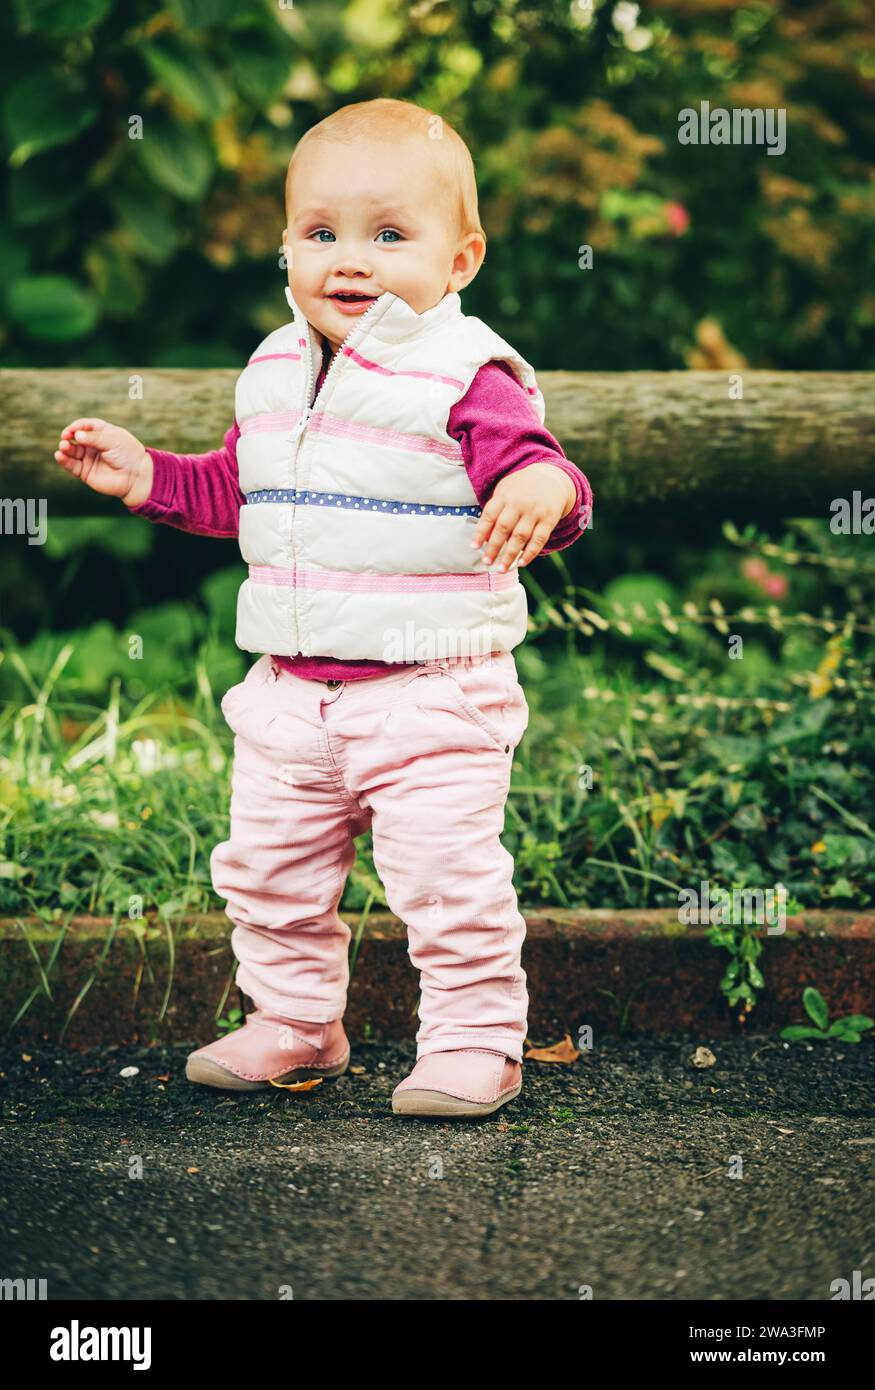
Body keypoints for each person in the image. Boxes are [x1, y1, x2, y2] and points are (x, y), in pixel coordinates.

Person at [55, 98, 593, 1118]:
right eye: (321, 233)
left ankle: (475, 1041)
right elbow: (243, 493)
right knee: (266, 875)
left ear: (460, 258)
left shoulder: (465, 373)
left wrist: (548, 489)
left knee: (443, 885)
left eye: (389, 235)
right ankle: (295, 1022)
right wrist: (146, 478)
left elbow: (537, 474)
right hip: (290, 697)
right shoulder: (272, 367)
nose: (350, 260)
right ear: (286, 249)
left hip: (431, 694)